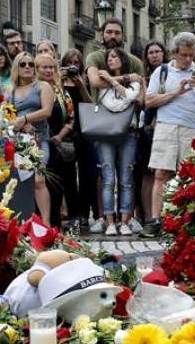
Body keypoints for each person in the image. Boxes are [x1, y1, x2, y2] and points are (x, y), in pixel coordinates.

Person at [140, 32, 195, 238]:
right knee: (161, 174)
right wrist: (175, 93)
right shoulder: (162, 72)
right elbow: (149, 101)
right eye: (184, 55)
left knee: (190, 176)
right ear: (174, 53)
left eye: (192, 55)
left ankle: (186, 219)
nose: (189, 59)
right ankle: (155, 220)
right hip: (166, 126)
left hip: (192, 129)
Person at [91, 47, 143, 236]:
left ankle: (125, 222)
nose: (111, 60)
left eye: (114, 56)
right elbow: (112, 104)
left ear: (123, 59)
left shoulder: (134, 79)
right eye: (108, 57)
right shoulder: (101, 82)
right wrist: (116, 83)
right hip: (106, 134)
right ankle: (110, 221)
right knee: (107, 178)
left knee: (126, 178)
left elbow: (129, 98)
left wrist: (113, 80)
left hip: (128, 133)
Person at [10, 51, 55, 223]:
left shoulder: (43, 86)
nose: (27, 67)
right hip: (18, 141)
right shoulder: (11, 91)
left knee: (38, 180)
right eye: (23, 64)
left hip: (39, 140)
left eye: (31, 64)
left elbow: (47, 111)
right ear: (17, 68)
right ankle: (24, 222)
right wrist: (19, 124)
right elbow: (5, 114)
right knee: (20, 182)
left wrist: (25, 119)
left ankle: (46, 224)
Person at [35, 52, 77, 228]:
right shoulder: (35, 88)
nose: (48, 70)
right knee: (43, 186)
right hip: (40, 143)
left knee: (58, 188)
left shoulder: (61, 90)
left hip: (58, 144)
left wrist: (60, 136)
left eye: (52, 67)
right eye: (44, 67)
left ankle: (55, 227)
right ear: (37, 69)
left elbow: (71, 117)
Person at [60, 48, 97, 228]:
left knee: (87, 175)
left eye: (76, 63)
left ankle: (84, 213)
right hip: (66, 130)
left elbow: (91, 105)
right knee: (68, 175)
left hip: (84, 129)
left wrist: (81, 85)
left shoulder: (85, 81)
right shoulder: (58, 81)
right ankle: (73, 213)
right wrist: (60, 79)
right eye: (70, 63)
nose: (73, 66)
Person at [134, 39, 167, 227]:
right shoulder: (144, 77)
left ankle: (163, 214)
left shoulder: (170, 72)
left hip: (166, 126)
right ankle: (148, 217)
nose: (154, 55)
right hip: (147, 129)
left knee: (162, 175)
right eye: (151, 52)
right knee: (147, 175)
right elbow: (145, 102)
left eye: (157, 51)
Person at [85, 19, 143, 98]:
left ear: (122, 36)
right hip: (100, 109)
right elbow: (95, 82)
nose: (113, 36)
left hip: (129, 108)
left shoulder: (134, 61)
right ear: (102, 34)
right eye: (109, 32)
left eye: (117, 33)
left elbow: (142, 85)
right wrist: (127, 78)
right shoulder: (94, 57)